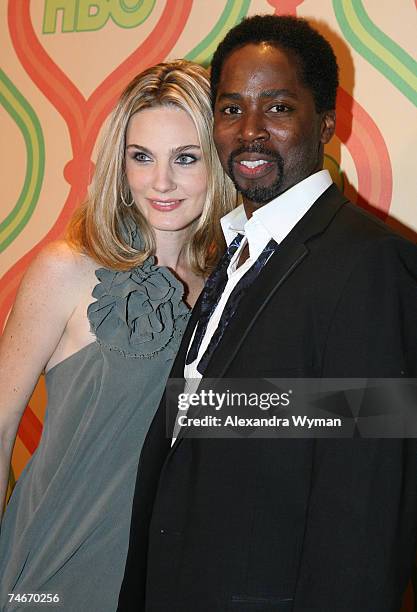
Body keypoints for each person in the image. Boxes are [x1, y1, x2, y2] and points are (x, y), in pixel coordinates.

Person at [118, 15, 417, 612]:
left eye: (278, 108)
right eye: (231, 110)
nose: (249, 131)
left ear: (327, 123)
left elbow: (367, 506)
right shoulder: (231, 257)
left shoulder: (372, 265)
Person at [0, 60, 235, 611]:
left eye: (185, 158)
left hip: (171, 577)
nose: (161, 182)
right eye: (142, 157)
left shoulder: (230, 291)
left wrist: (377, 410)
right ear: (121, 164)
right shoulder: (67, 269)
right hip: (54, 570)